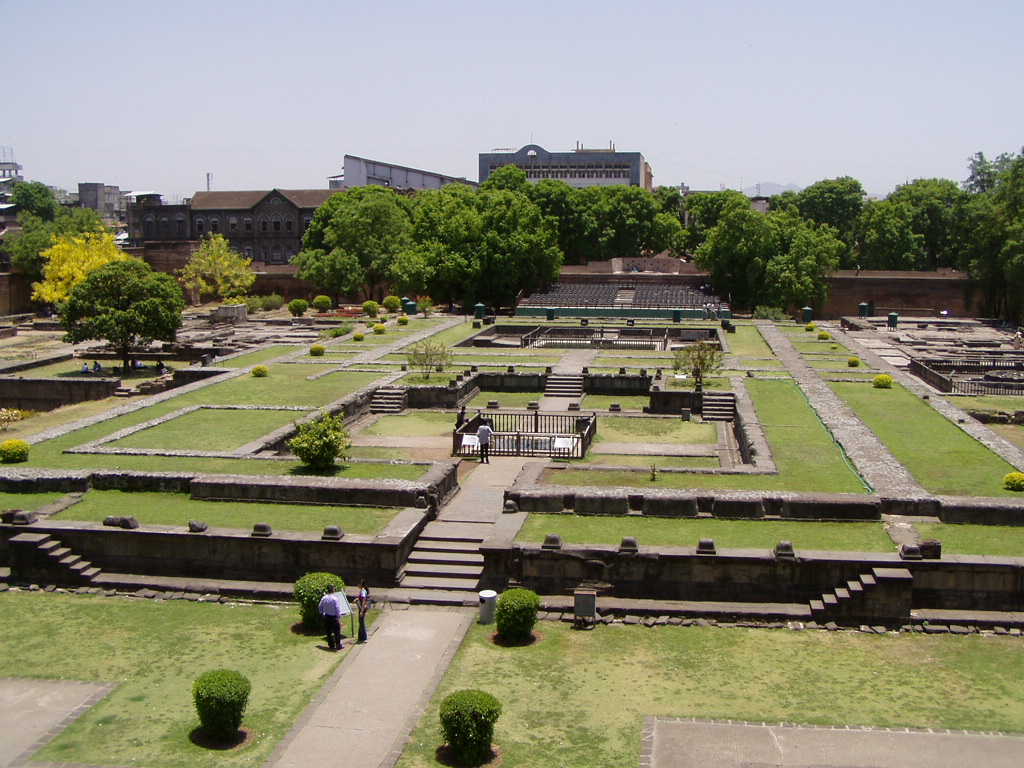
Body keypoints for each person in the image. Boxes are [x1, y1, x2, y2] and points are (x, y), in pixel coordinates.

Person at [318, 584, 344, 650]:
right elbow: (337, 608)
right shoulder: (335, 599)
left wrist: (322, 613)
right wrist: (338, 617)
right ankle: (338, 644)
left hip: (327, 616)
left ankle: (331, 645)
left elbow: (320, 606)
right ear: (333, 590)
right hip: (334, 617)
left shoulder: (324, 598)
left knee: (328, 631)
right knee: (337, 631)